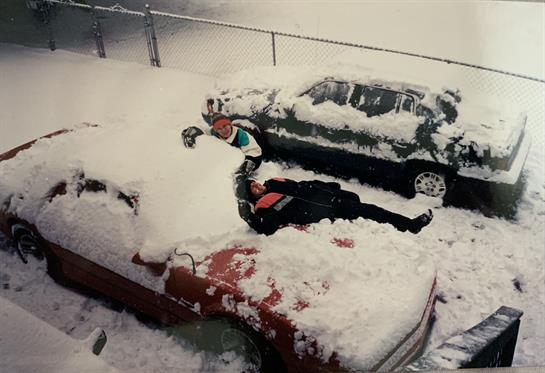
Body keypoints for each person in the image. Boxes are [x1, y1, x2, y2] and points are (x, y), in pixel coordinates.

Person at [236, 177, 433, 236]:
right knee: (373, 211)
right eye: (252, 188)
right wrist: (247, 214)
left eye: (254, 182)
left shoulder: (274, 181)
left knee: (356, 198)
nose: (256, 185)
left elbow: (302, 184)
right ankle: (410, 225)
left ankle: (397, 223)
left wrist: (326, 186)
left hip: (329, 196)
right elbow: (267, 227)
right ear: (251, 195)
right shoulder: (263, 205)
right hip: (326, 210)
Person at [182, 112, 263, 172]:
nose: (223, 130)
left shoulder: (241, 135)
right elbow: (203, 129)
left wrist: (245, 168)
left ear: (230, 124)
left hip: (237, 166)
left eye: (225, 126)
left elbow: (255, 152)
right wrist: (190, 132)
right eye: (219, 129)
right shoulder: (214, 132)